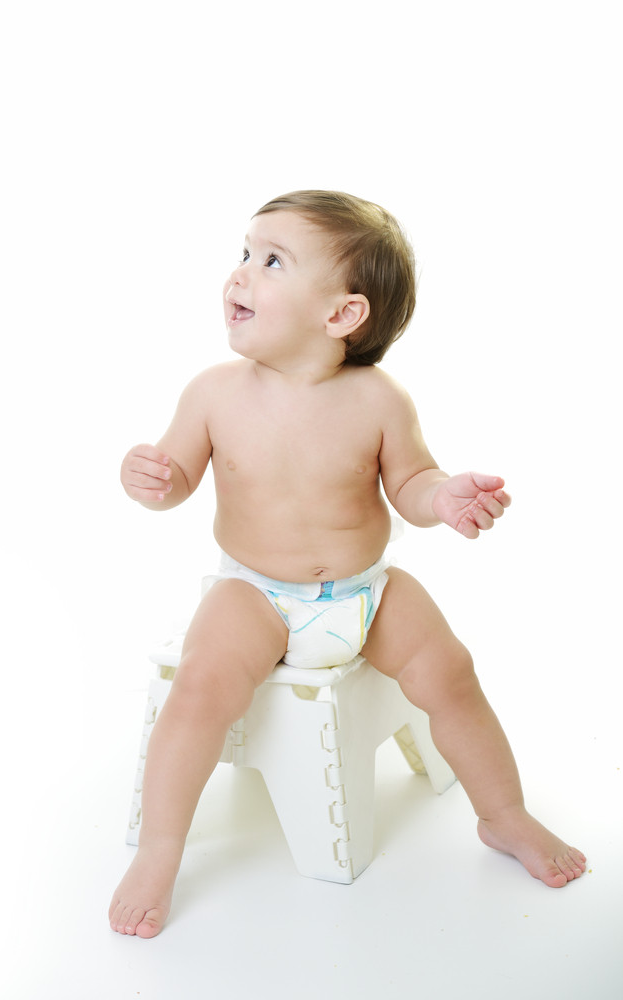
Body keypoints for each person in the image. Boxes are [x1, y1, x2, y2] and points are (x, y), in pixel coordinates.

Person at [109, 190, 586, 938]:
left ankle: (505, 815)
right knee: (202, 685)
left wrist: (446, 497)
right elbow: (174, 478)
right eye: (243, 253)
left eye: (270, 261)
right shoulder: (213, 394)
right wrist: (152, 480)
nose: (239, 275)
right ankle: (161, 848)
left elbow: (410, 484)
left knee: (452, 673)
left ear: (341, 316)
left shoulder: (378, 400)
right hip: (255, 593)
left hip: (366, 593)